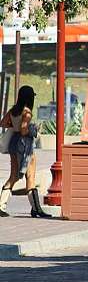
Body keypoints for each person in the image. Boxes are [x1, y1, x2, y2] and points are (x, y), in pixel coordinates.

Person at [0, 85, 50, 218]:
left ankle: (1, 205)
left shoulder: (13, 110)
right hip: (25, 145)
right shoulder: (27, 112)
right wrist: (32, 130)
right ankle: (36, 209)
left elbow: (3, 123)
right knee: (30, 176)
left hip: (13, 144)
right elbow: (24, 129)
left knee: (14, 176)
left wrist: (14, 126)